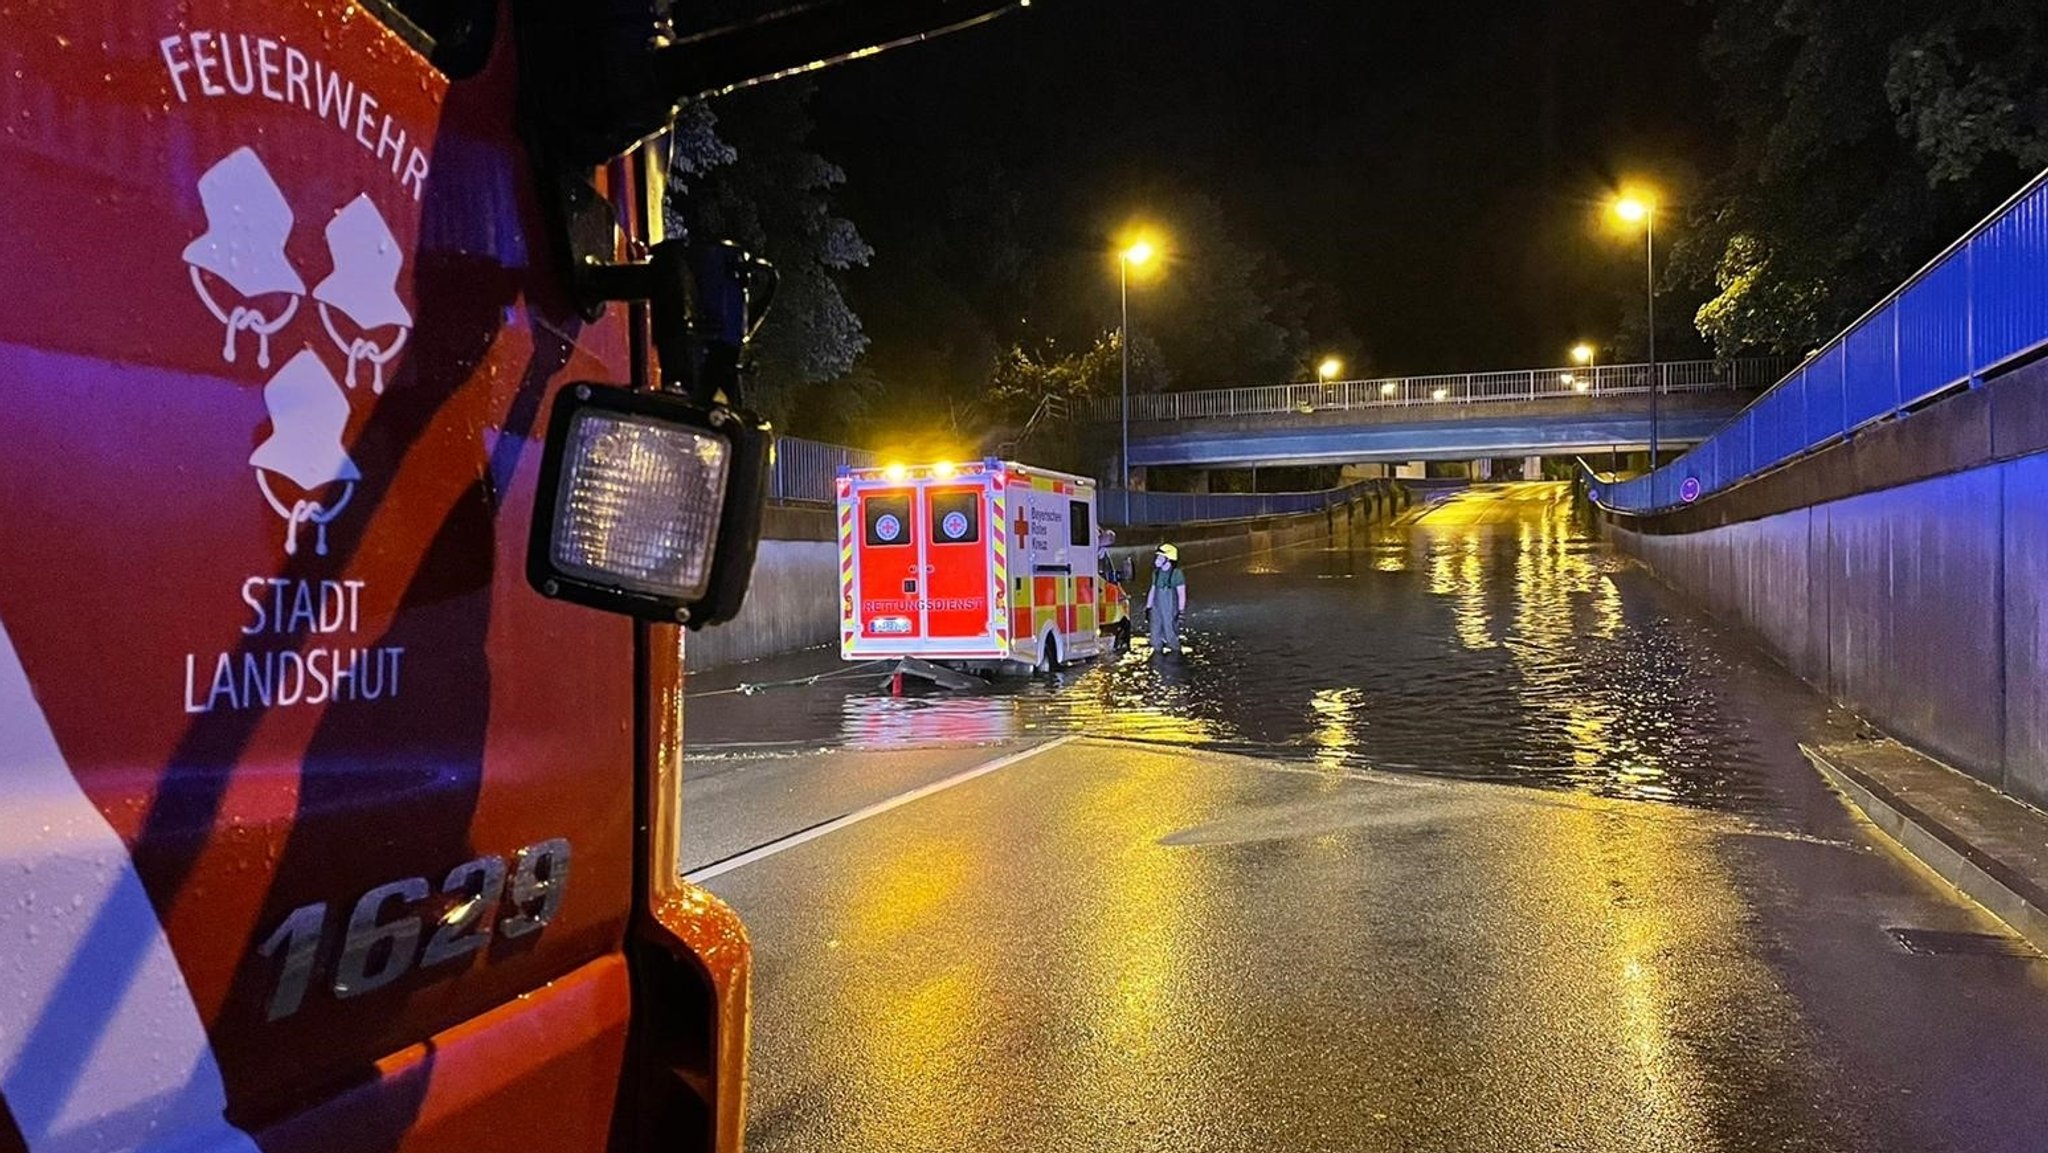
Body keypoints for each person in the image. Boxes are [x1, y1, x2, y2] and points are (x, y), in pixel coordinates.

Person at [1146, 543, 1187, 656]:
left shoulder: (1176, 574)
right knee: (1155, 636)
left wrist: (1181, 612)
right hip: (1157, 607)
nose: (1157, 560)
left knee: (1170, 634)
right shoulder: (1156, 573)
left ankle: (1176, 656)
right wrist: (1148, 607)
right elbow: (1153, 590)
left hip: (1170, 608)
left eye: (1160, 557)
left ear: (1168, 559)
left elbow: (1181, 594)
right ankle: (1157, 658)